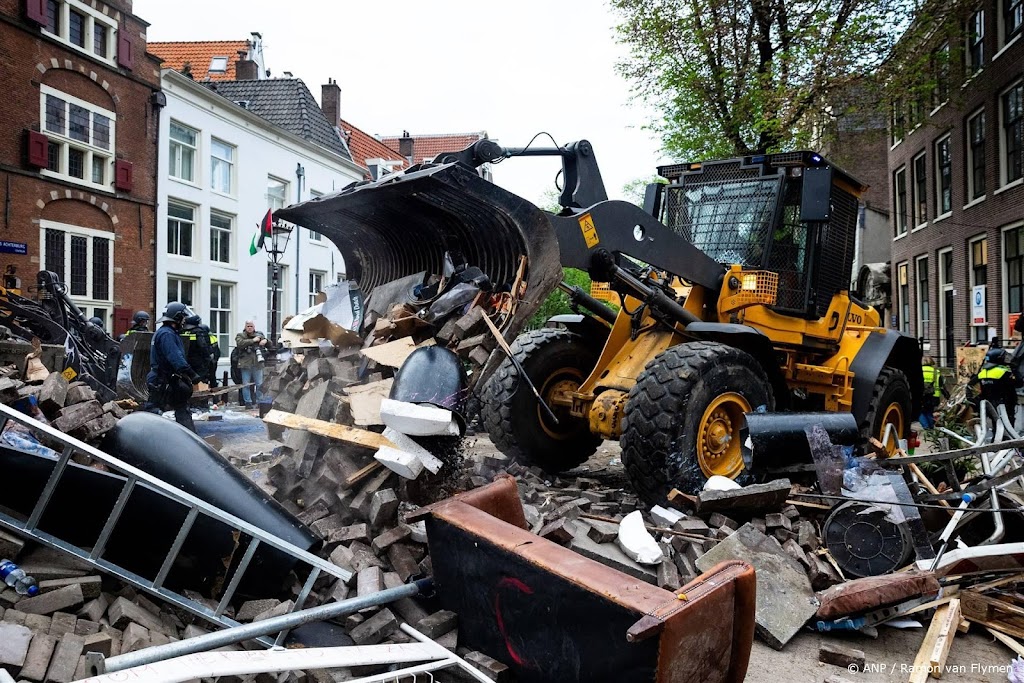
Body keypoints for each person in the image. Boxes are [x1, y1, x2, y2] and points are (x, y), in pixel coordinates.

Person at [144, 302, 199, 432]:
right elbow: (175, 357)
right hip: (162, 379)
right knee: (154, 412)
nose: (185, 320)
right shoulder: (167, 334)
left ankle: (189, 439)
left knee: (181, 408)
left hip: (165, 378)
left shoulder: (167, 332)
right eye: (183, 317)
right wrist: (190, 373)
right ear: (177, 317)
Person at [969, 347, 1021, 415]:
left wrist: (974, 402)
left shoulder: (983, 373)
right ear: (999, 359)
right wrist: (1015, 370)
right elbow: (1019, 384)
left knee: (995, 424)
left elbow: (970, 385)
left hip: (990, 407)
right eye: (1004, 357)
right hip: (1006, 406)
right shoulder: (1004, 372)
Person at [235, 321, 267, 408]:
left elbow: (270, 344)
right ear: (245, 327)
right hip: (245, 364)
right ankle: (248, 402)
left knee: (259, 384)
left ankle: (260, 402)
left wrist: (265, 341)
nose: (250, 328)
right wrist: (253, 340)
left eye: (251, 326)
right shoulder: (240, 335)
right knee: (246, 384)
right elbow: (240, 343)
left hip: (257, 363)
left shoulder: (259, 335)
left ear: (254, 327)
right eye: (248, 326)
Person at [180, 315, 212, 384]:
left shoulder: (182, 331)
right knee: (199, 383)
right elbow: (203, 346)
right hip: (198, 362)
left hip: (184, 361)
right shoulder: (198, 332)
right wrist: (208, 359)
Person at [920, 356, 941, 429]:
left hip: (921, 395)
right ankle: (931, 426)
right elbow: (941, 384)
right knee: (929, 411)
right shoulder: (936, 371)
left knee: (920, 412)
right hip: (934, 395)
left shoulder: (919, 371)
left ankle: (926, 426)